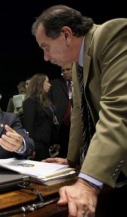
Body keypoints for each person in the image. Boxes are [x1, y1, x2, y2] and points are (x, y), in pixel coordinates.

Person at [32, 5, 127, 216]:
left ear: (66, 34)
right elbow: (79, 113)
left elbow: (119, 111)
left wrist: (87, 183)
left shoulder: (113, 35)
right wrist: (71, 160)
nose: (45, 57)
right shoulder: (77, 66)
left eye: (45, 46)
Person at [22, 73, 59, 161]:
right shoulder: (30, 101)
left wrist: (55, 141)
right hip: (37, 145)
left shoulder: (46, 101)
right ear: (40, 83)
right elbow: (28, 126)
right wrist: (31, 148)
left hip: (47, 144)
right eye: (47, 82)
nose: (50, 85)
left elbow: (52, 121)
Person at [49, 64, 73, 158]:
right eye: (63, 70)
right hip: (61, 124)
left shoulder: (82, 82)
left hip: (78, 123)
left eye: (68, 69)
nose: (65, 72)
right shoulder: (54, 84)